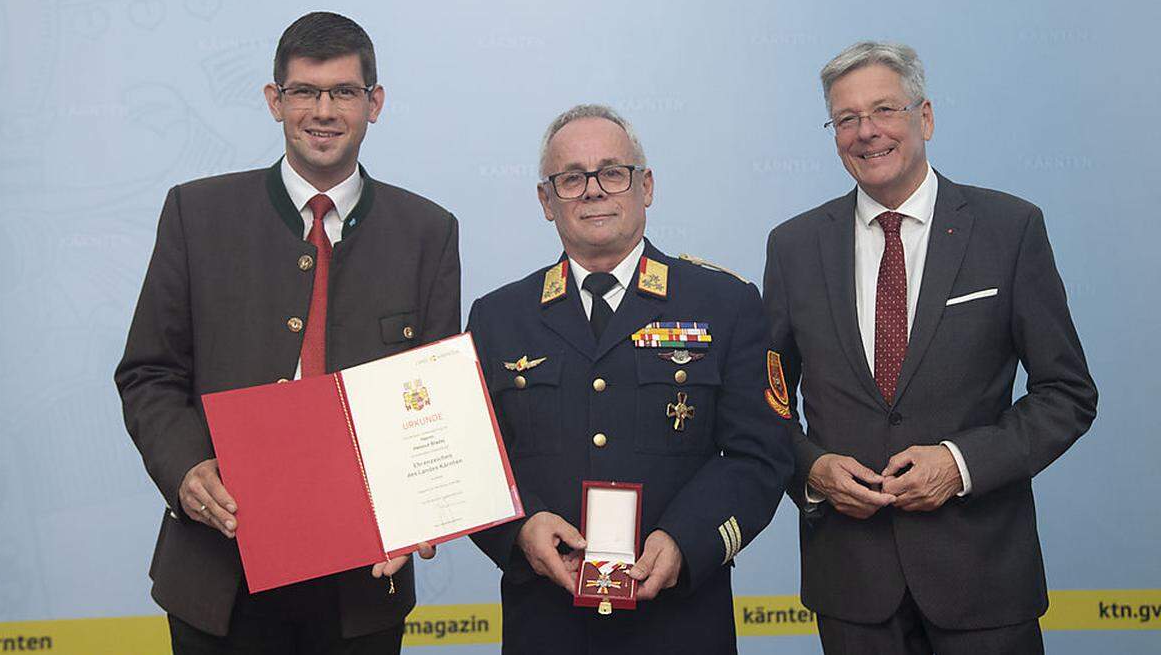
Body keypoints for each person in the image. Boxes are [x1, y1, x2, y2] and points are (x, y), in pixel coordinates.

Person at [114, 12, 458, 653]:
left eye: (344, 92)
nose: (322, 111)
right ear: (276, 101)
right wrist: (186, 467)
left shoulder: (428, 233)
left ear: (374, 103)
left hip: (361, 586)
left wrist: (424, 510)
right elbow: (149, 373)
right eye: (304, 91)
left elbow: (433, 401)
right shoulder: (197, 213)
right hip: (217, 576)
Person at [762, 41, 1097, 654]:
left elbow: (1068, 394)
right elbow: (766, 403)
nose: (867, 133)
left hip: (985, 580)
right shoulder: (793, 247)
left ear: (926, 117)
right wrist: (811, 469)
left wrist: (961, 464)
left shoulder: (1009, 229)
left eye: (885, 110)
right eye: (847, 119)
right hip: (852, 587)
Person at [467, 104, 792, 653]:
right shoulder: (498, 317)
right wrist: (517, 532)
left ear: (647, 187)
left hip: (683, 622)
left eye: (613, 172)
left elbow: (759, 454)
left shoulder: (725, 303)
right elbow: (470, 463)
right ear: (546, 202)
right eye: (571, 178)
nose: (594, 190)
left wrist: (687, 542)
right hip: (545, 624)